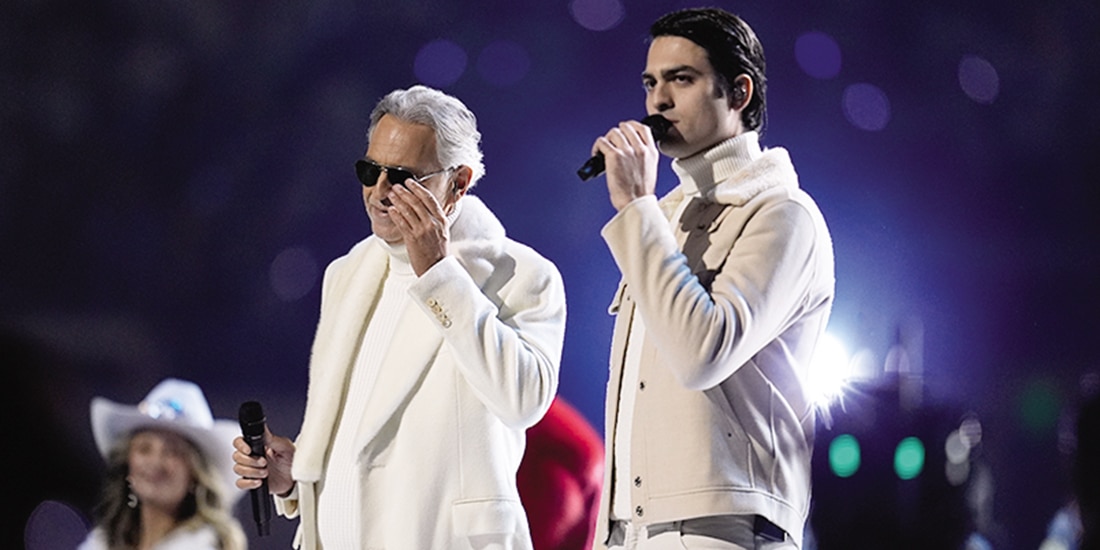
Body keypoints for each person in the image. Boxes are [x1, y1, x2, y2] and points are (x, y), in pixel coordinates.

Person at [232, 85, 566, 549]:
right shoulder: (347, 273)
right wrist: (296, 474)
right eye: (370, 170)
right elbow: (358, 434)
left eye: (403, 177)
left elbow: (523, 400)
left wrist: (440, 274)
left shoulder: (522, 275)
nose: (379, 191)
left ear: (459, 182)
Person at [587, 7, 835, 549]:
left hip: (721, 528)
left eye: (682, 79)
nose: (658, 101)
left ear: (739, 93)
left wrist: (635, 205)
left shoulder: (781, 215)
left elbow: (702, 352)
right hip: (631, 528)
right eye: (651, 82)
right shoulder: (666, 215)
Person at [79, 378, 246, 550]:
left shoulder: (204, 546)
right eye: (144, 449)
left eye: (172, 452)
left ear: (196, 474)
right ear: (127, 465)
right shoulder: (101, 543)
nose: (155, 462)